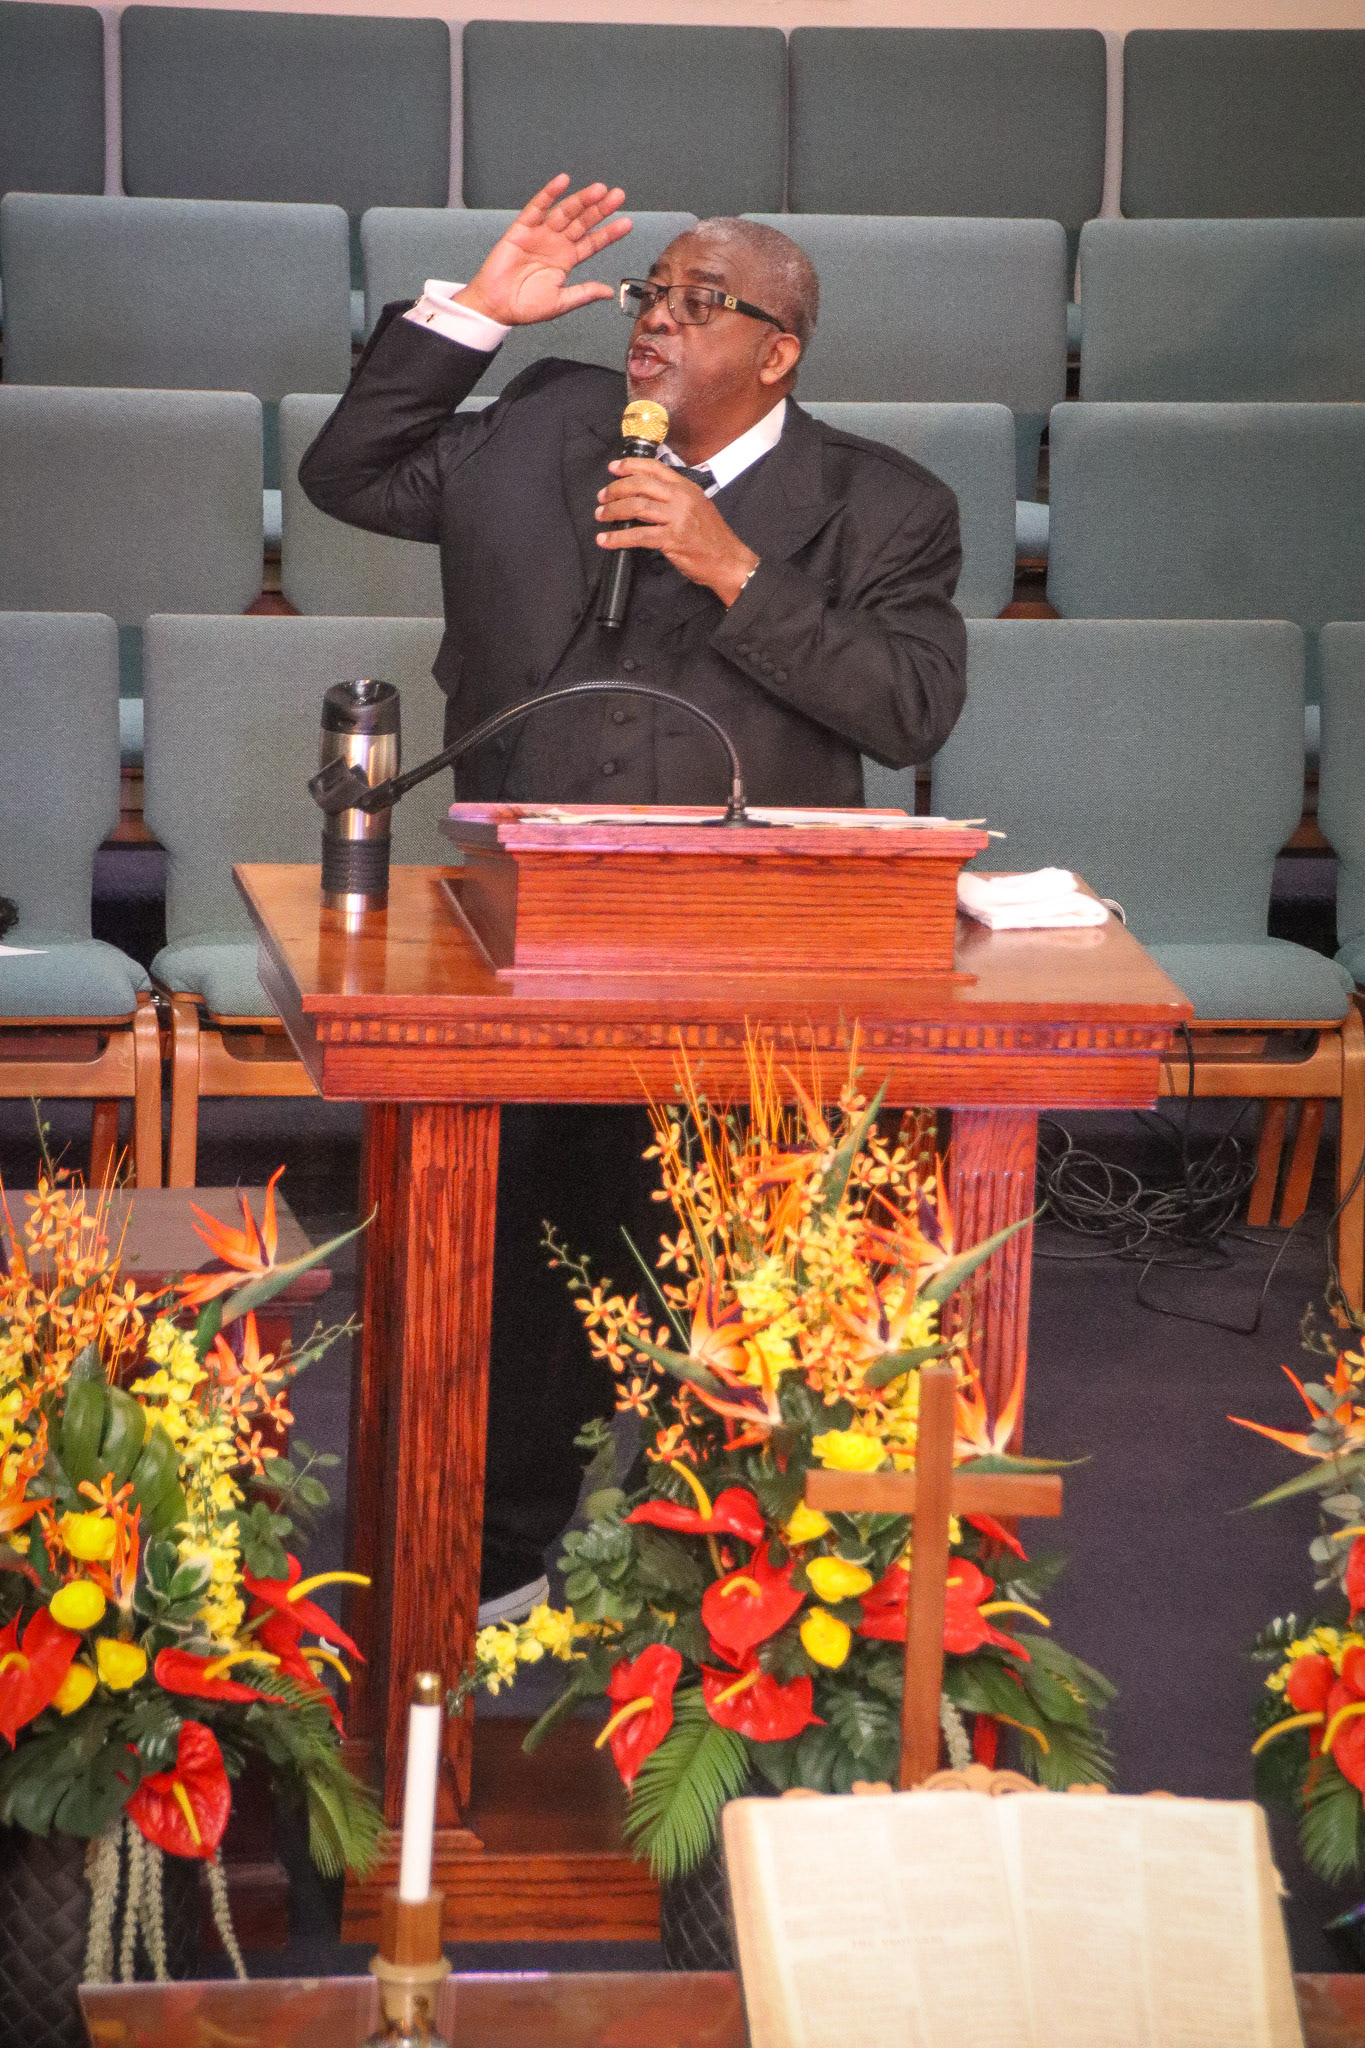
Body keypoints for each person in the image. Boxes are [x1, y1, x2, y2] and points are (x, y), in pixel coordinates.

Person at [300, 175, 969, 1620]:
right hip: (524, 957)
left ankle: (737, 1592)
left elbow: (909, 706)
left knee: (730, 1292)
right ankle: (485, 1572)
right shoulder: (544, 422)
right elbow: (347, 476)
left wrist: (730, 569)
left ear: (778, 350)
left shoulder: (885, 503)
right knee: (516, 1280)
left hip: (755, 981)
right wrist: (476, 315)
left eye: (698, 302)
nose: (655, 318)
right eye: (649, 292)